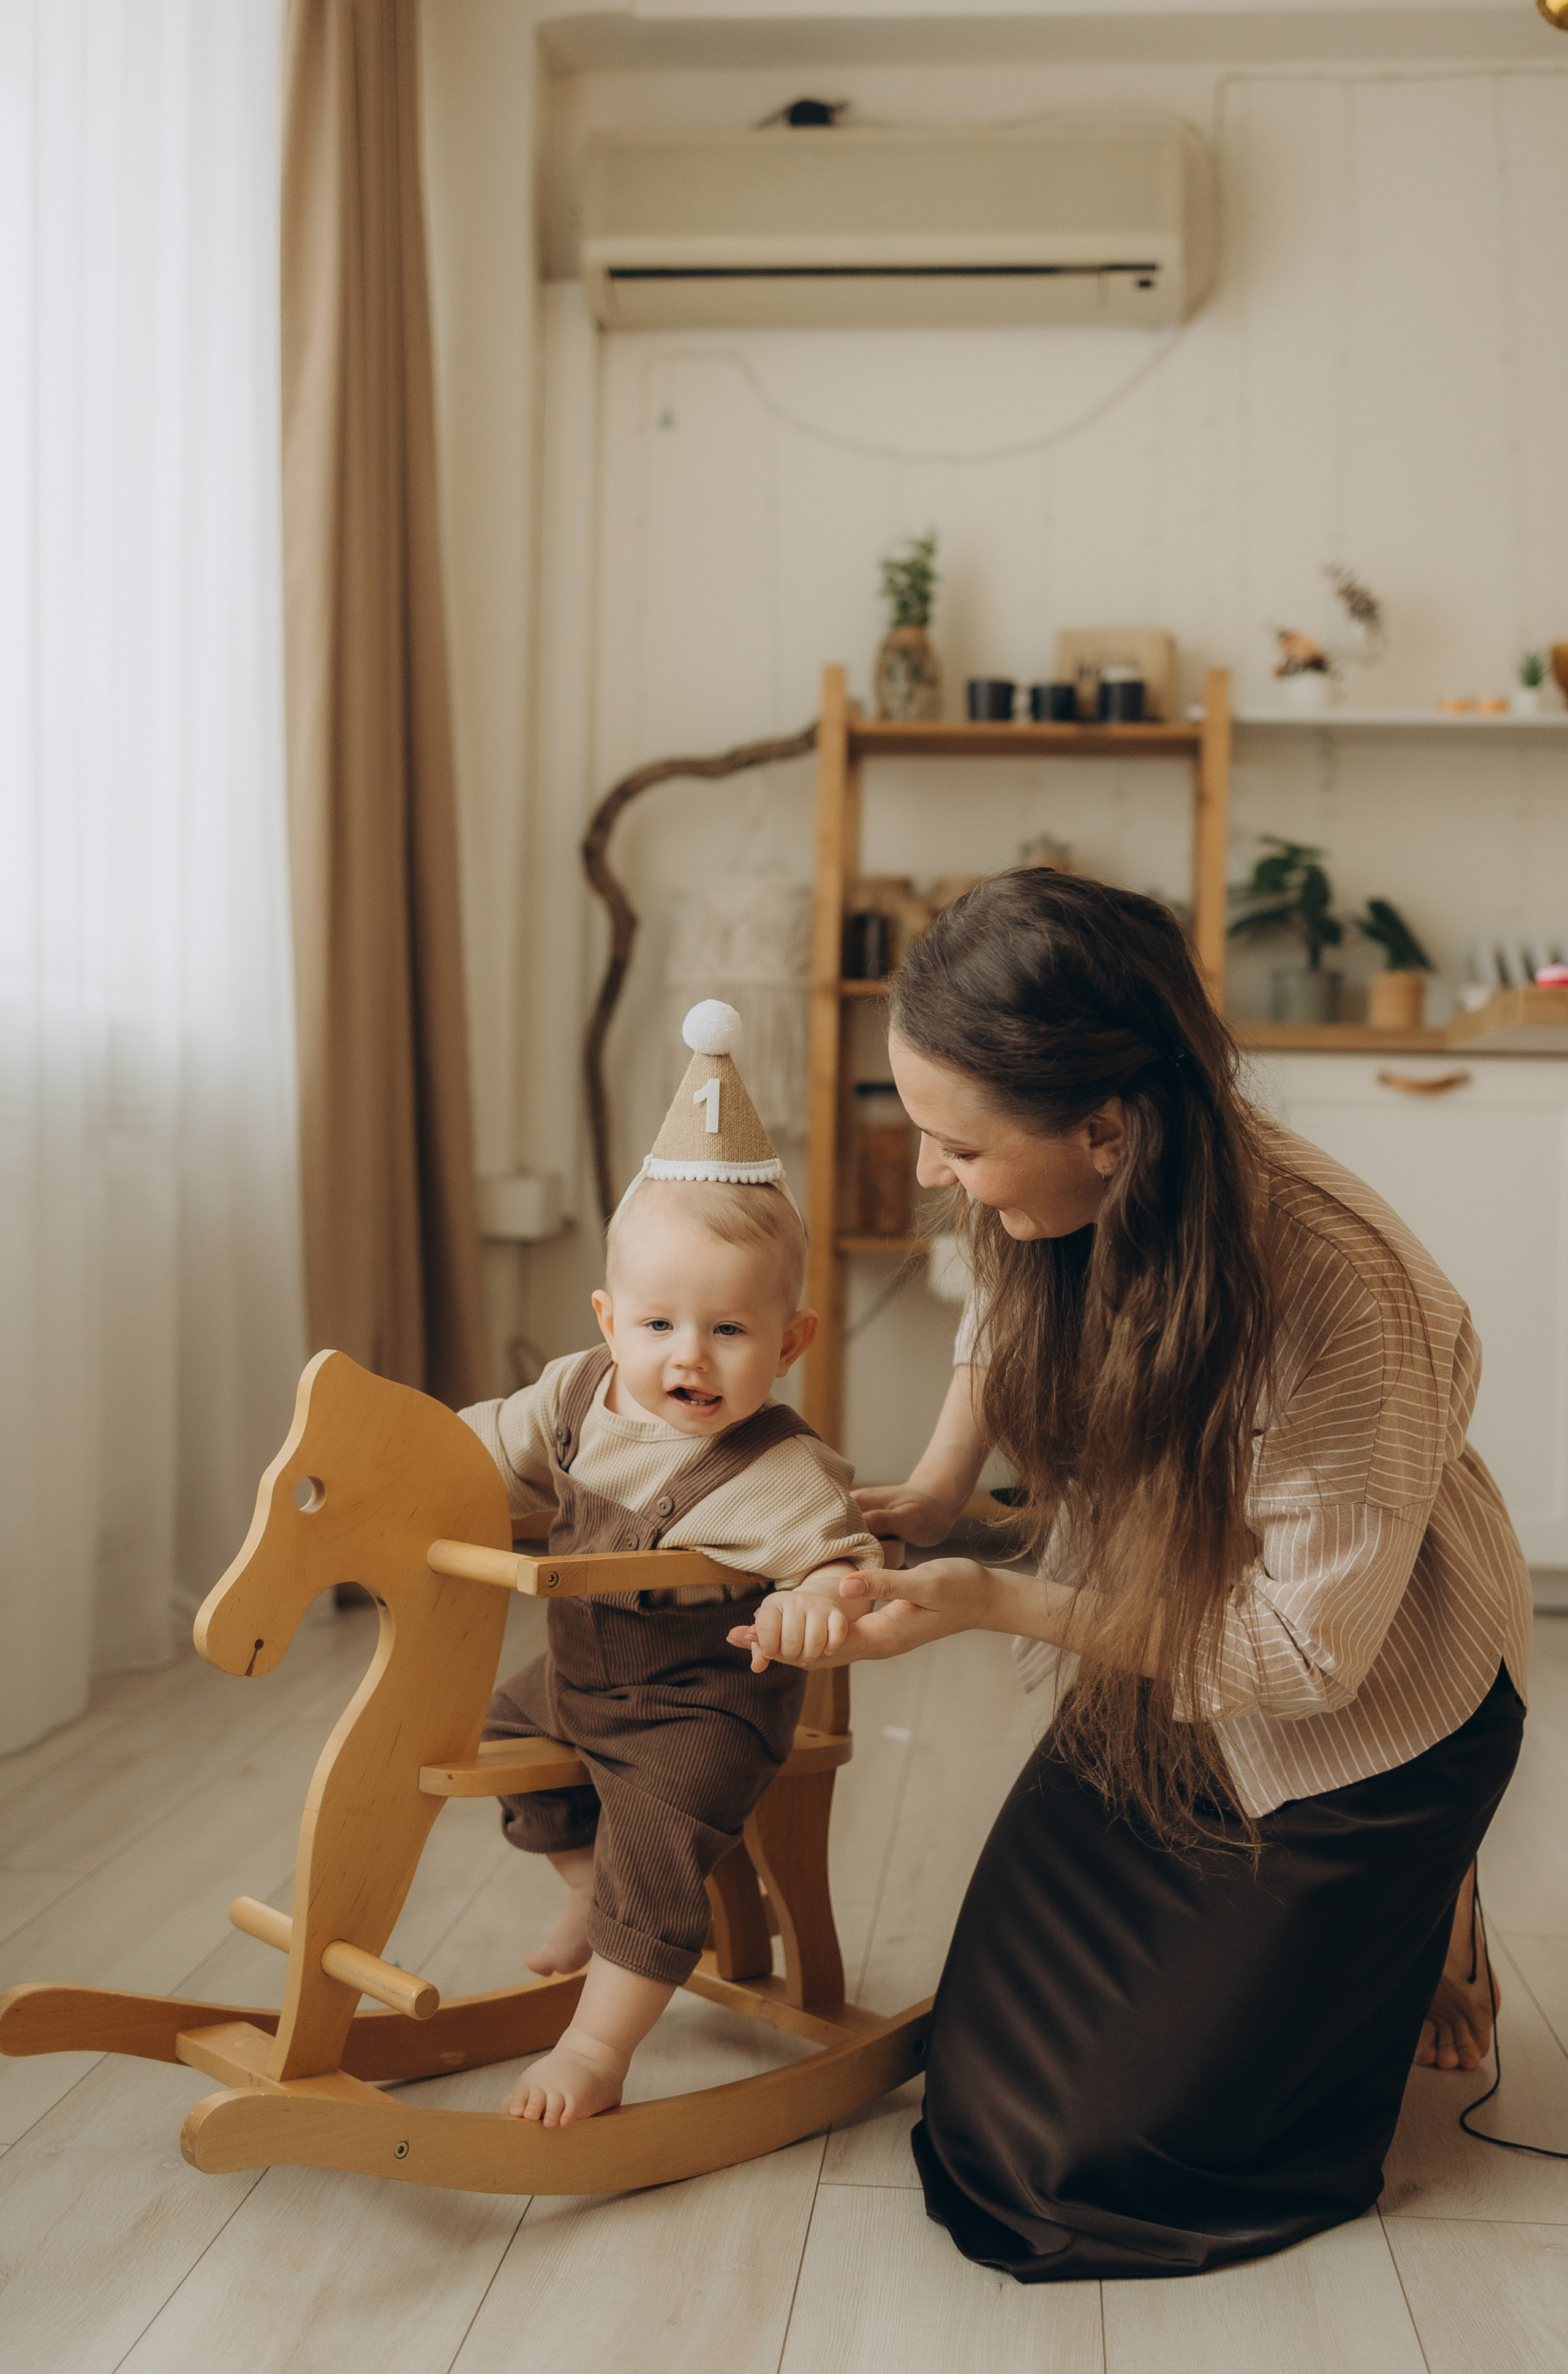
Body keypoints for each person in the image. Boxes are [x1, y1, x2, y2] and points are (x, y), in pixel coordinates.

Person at [733, 870, 1531, 2283]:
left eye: (955, 1145)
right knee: (982, 2103)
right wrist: (940, 1487)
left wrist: (993, 1597)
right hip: (1176, 1654)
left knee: (1095, 2169)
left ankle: (1428, 1898)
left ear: (1104, 1131)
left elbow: (1306, 1658)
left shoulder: (1336, 1291)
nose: (929, 1173)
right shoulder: (1069, 1182)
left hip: (1365, 1720)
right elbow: (998, 1286)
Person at [461, 1003, 880, 2128]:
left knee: (657, 1838)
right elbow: (479, 1449)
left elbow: (841, 1557)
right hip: (578, 1681)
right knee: (496, 1734)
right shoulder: (575, 1394)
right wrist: (405, 1468)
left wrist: (815, 1601)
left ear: (788, 1341)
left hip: (704, 1707)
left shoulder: (776, 1468)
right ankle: (589, 1895)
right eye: (657, 1326)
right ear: (610, 1320)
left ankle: (598, 2048)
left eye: (729, 1332)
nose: (688, 1357)